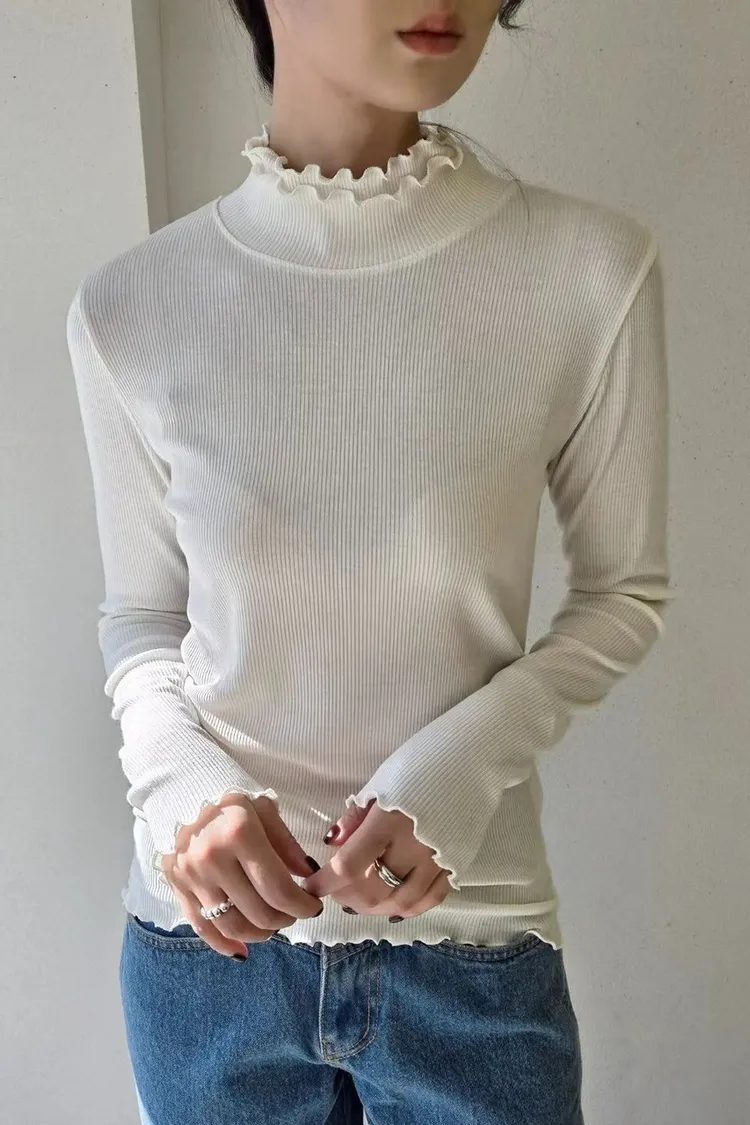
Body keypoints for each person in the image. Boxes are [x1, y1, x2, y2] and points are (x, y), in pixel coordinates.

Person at [66, 2, 674, 1123]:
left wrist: (458, 771)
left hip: (472, 951)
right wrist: (182, 793)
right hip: (208, 961)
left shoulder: (590, 270)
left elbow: (621, 595)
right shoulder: (130, 307)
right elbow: (143, 617)